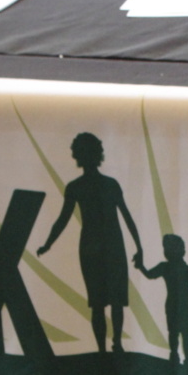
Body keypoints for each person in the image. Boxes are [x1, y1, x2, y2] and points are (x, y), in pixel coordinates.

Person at [36, 132, 143, 353]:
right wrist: (48, 243)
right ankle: (108, 347)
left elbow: (126, 216)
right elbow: (63, 219)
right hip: (101, 246)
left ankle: (111, 346)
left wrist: (139, 246)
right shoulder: (85, 186)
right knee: (103, 302)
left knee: (106, 302)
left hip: (103, 246)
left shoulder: (92, 186)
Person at [135, 234, 188, 365]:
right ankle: (185, 359)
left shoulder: (167, 267)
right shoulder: (185, 269)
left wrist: (140, 265)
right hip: (184, 306)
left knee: (176, 334)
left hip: (176, 306)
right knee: (184, 335)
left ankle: (176, 356)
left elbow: (149, 274)